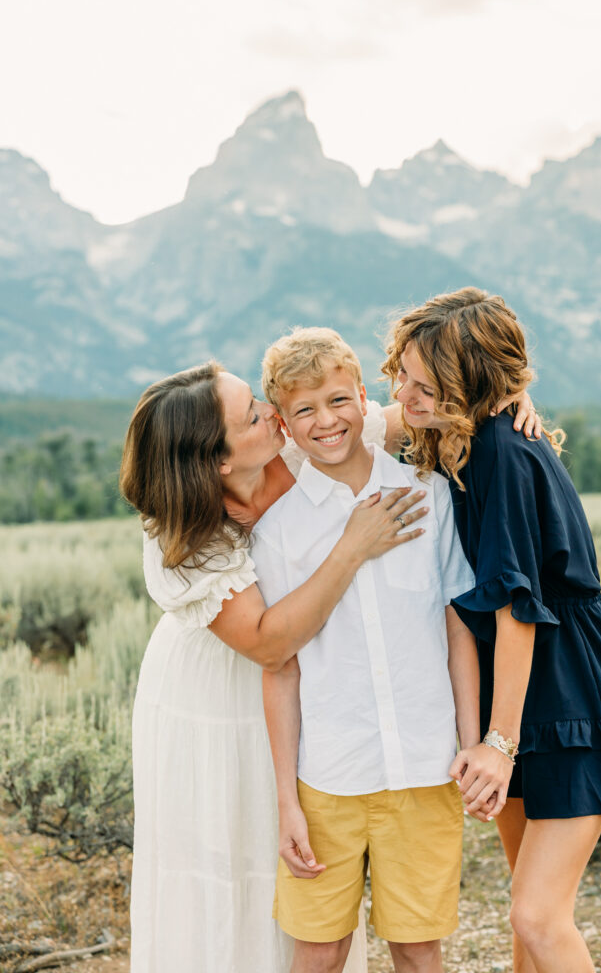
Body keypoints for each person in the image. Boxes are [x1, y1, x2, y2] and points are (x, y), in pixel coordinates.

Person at [382, 287, 601, 973]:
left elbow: (517, 610)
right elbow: (358, 423)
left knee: (536, 917)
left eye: (423, 384)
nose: (401, 392)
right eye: (400, 372)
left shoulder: (501, 455)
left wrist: (496, 744)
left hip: (570, 696)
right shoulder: (460, 436)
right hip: (523, 698)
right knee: (525, 916)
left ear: (469, 387)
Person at [119, 360, 428, 973]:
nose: (274, 413)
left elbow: (427, 413)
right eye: (254, 414)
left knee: (310, 854)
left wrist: (512, 392)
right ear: (219, 462)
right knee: (230, 847)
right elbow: (265, 645)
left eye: (258, 399)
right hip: (215, 693)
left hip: (304, 677)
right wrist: (352, 546)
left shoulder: (311, 437)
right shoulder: (181, 537)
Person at [253, 327, 480, 973]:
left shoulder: (428, 494)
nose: (325, 421)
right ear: (284, 425)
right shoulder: (279, 532)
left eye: (336, 400)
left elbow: (455, 627)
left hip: (425, 766)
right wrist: (286, 803)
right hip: (329, 775)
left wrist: (468, 742)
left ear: (362, 397)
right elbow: (281, 668)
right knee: (320, 950)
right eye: (303, 410)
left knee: (416, 948)